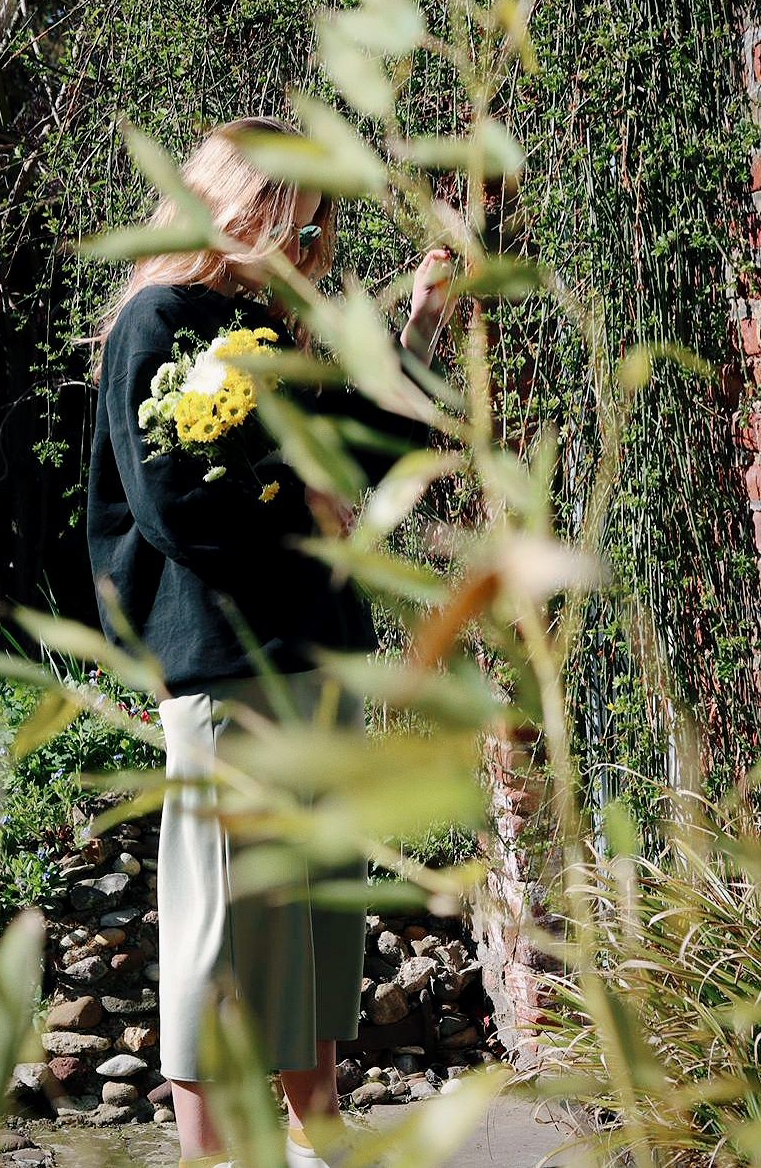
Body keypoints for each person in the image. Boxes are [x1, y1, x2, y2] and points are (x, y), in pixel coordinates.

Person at [85, 115, 456, 1168]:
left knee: (314, 909)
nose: (306, 251)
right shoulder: (156, 324)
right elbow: (170, 503)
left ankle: (315, 1141)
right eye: (294, 223)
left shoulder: (252, 329)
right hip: (222, 662)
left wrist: (421, 323)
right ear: (235, 205)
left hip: (312, 651)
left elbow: (355, 446)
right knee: (221, 921)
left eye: (317, 231)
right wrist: (300, 498)